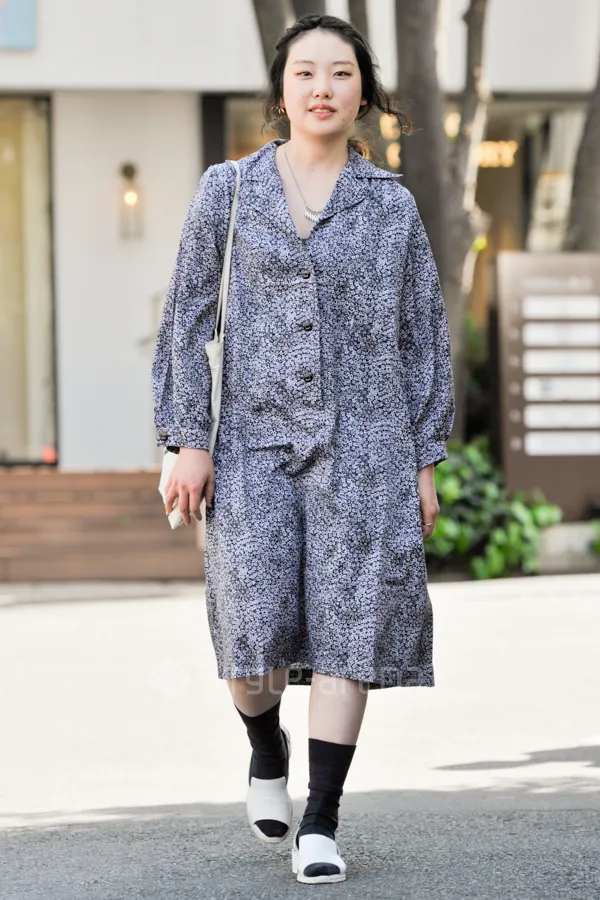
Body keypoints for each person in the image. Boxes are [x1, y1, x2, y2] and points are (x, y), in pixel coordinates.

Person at [151, 13, 455, 886]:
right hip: (251, 446)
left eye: (342, 73)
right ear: (282, 93)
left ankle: (320, 820)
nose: (323, 87)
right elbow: (186, 320)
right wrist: (187, 438)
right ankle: (264, 742)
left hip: (366, 447)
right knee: (253, 644)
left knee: (349, 631)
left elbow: (422, 338)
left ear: (365, 94)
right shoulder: (228, 190)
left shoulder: (390, 207)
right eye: (306, 73)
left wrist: (423, 460)